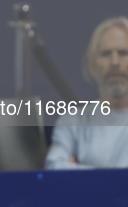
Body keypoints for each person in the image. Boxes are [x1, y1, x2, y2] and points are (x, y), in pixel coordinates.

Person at [45, 17, 128, 169]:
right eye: (106, 53)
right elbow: (54, 167)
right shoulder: (73, 122)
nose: (115, 62)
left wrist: (79, 171)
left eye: (123, 53)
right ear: (91, 64)